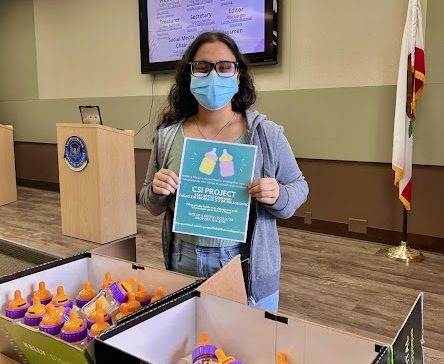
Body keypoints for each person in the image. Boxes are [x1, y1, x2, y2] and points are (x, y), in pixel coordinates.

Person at [139, 31, 309, 312]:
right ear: (190, 75)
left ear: (238, 75)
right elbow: (149, 200)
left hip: (245, 265)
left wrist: (278, 194)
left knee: (249, 349)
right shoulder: (169, 136)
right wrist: (157, 191)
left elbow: (298, 186)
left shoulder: (265, 134)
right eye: (203, 67)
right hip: (183, 261)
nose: (213, 75)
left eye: (225, 67)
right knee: (194, 347)